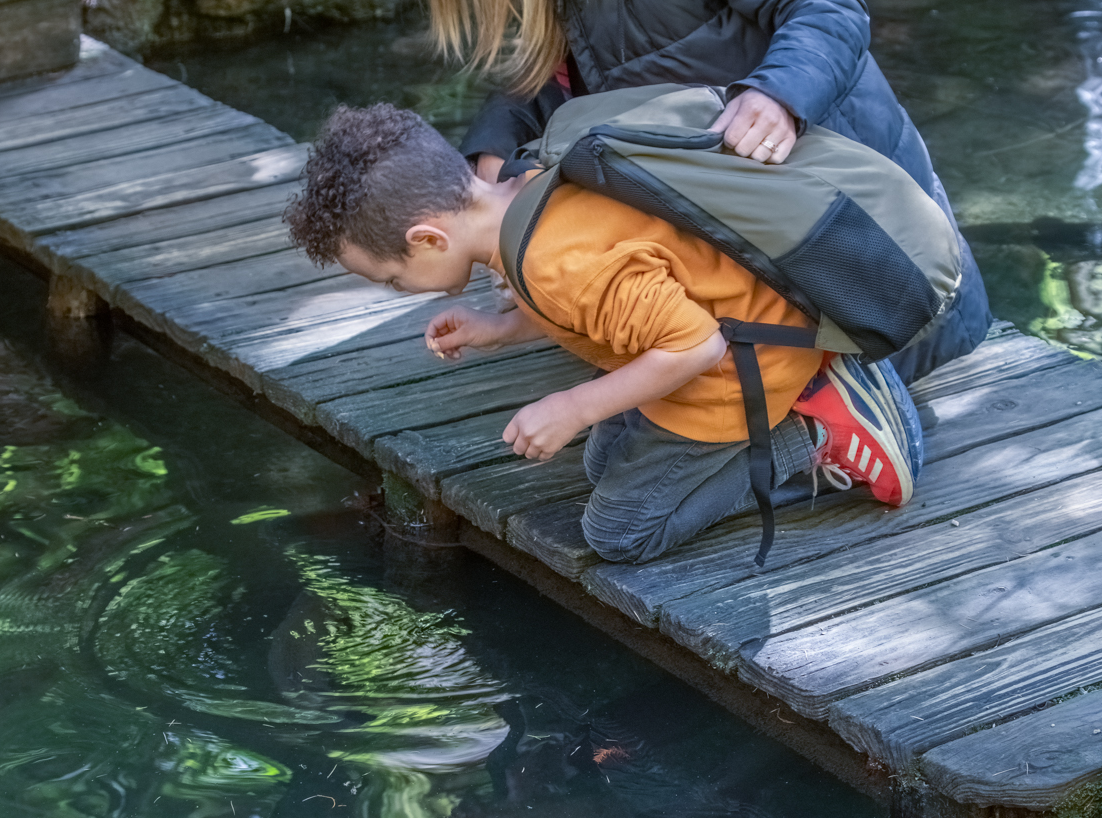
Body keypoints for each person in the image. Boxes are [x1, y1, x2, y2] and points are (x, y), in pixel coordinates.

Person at [371, 0, 990, 386]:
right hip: (747, 249)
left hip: (865, 252)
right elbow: (555, 62)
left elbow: (825, 3)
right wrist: (494, 153)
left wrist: (776, 96)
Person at [284, 103, 923, 564]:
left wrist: (573, 406)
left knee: (618, 534)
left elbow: (695, 345)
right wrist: (499, 329)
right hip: (727, 331)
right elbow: (588, 308)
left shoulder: (558, 264)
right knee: (599, 462)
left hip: (738, 367)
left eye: (394, 278)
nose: (401, 289)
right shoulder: (528, 189)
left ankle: (810, 435)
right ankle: (795, 408)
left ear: (427, 238)